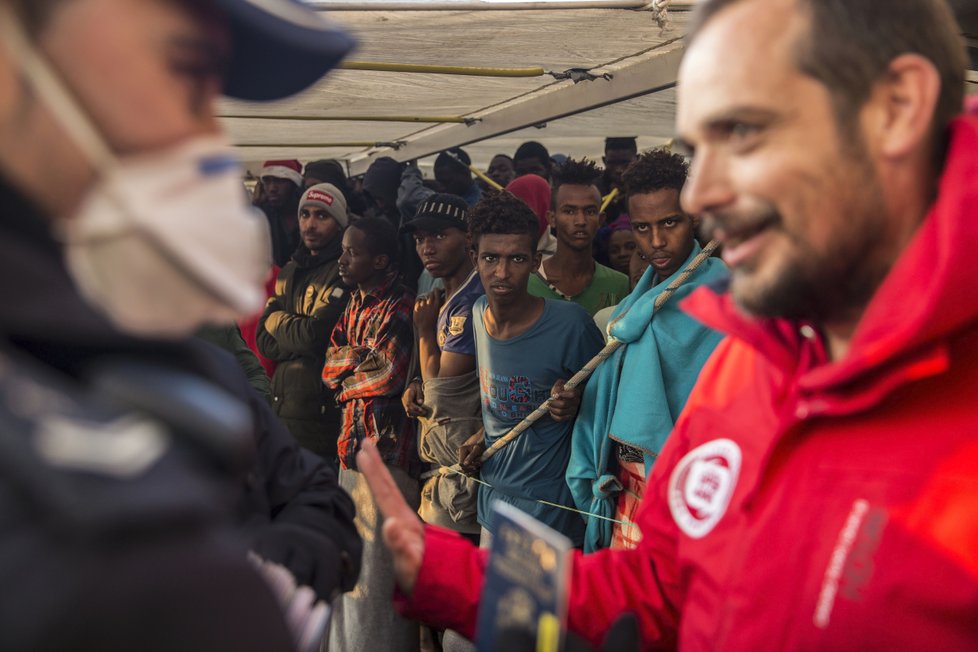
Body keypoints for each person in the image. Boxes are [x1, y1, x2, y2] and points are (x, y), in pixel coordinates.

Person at [359, 0, 978, 649]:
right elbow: (655, 587)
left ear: (898, 108)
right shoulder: (750, 362)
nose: (704, 193)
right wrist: (448, 571)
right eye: (696, 148)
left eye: (741, 132)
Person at [0, 0, 360, 648]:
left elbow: (312, 496)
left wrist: (276, 561)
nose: (212, 146)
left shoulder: (180, 373)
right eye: (187, 71)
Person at [567, 148, 728, 552]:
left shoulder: (729, 300)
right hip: (628, 491)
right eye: (642, 228)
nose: (656, 241)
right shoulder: (626, 314)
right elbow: (603, 410)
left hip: (699, 495)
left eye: (670, 223)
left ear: (694, 216)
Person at [462, 192, 604, 547]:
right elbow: (502, 408)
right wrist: (481, 438)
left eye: (516, 259)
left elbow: (605, 405)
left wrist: (573, 406)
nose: (502, 272)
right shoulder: (478, 315)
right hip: (491, 508)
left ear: (535, 261)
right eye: (490, 258)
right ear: (474, 259)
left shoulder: (571, 326)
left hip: (550, 518)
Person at [322, 216, 421, 652]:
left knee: (375, 581)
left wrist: (346, 373)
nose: (342, 259)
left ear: (380, 260)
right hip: (351, 451)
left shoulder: (400, 304)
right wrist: (351, 365)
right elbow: (327, 365)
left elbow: (387, 375)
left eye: (352, 252)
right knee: (350, 570)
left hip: (385, 459)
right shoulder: (356, 302)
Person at [401, 194, 484, 539]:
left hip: (462, 474)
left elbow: (441, 389)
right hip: (444, 471)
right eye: (420, 239)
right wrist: (415, 383)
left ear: (467, 238)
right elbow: (428, 380)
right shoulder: (443, 294)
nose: (427, 248)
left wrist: (423, 332)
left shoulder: (470, 300)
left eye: (438, 236)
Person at [257, 183, 351, 464]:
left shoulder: (343, 270)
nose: (310, 224)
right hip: (282, 410)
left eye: (322, 216)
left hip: (320, 420)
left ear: (339, 224)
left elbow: (315, 337)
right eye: (305, 214)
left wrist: (276, 320)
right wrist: (296, 336)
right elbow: (264, 340)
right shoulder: (289, 270)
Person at [528, 158, 630, 316]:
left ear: (601, 220)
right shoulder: (527, 284)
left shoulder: (620, 285)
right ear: (551, 219)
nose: (580, 221)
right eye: (569, 211)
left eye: (589, 211)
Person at [256, 159, 305, 267]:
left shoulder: (310, 213)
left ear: (294, 184)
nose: (272, 188)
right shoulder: (261, 217)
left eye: (280, 181)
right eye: (267, 181)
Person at [506, 172, 556, 257]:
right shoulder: (491, 249)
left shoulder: (561, 256)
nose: (516, 218)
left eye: (526, 210)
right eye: (509, 210)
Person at [599, 136, 638, 223]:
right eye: (612, 163)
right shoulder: (594, 189)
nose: (619, 170)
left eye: (625, 163)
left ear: (637, 159)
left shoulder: (647, 186)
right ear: (604, 161)